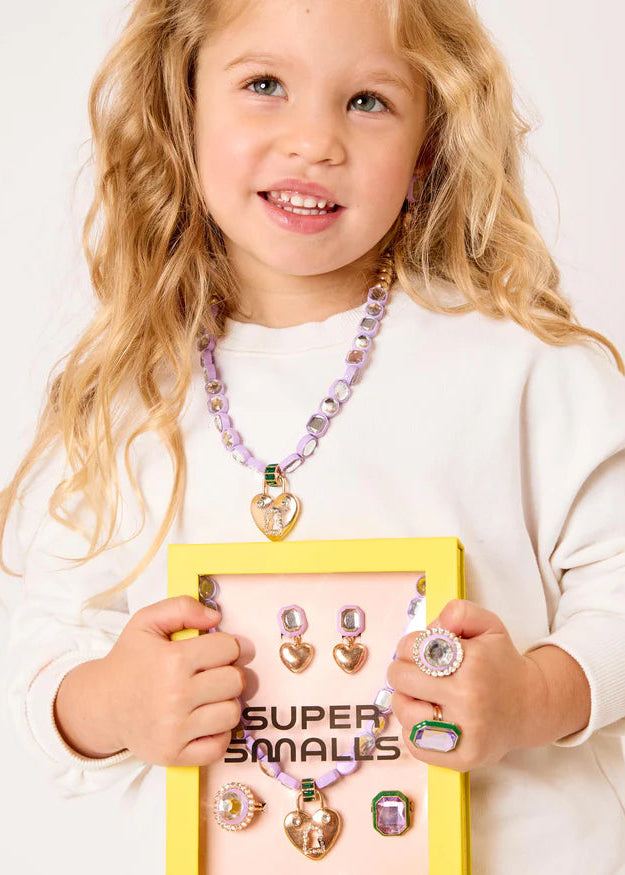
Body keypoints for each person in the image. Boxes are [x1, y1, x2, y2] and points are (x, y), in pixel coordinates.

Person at [3, 0, 625, 871]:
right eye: (264, 85)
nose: (314, 141)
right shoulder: (127, 395)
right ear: (181, 113)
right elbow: (42, 651)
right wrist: (110, 703)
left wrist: (534, 697)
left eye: (366, 101)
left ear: (428, 148)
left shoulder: (520, 366)